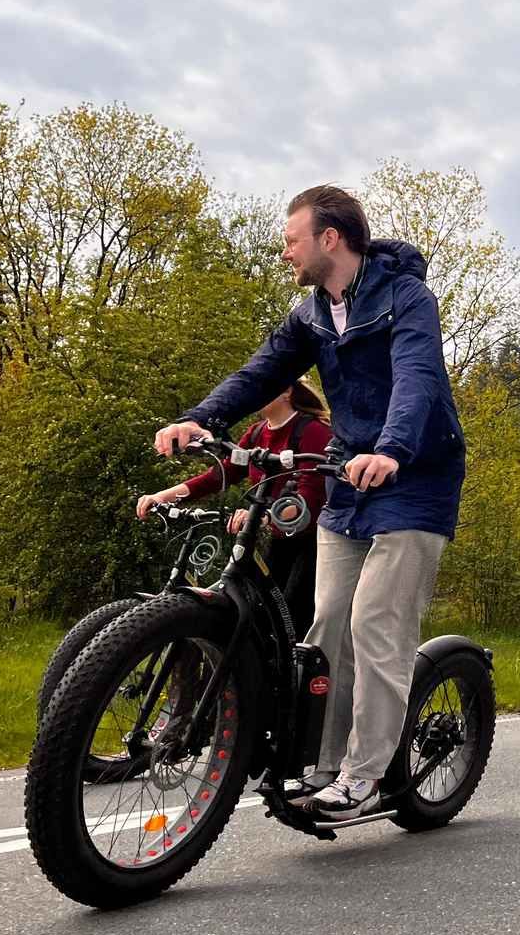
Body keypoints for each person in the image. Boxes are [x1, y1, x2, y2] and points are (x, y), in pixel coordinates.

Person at [152, 184, 466, 821]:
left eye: (292, 238)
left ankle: (366, 776)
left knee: (376, 623)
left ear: (330, 238)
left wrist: (394, 449)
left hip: (415, 473)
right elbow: (261, 374)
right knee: (325, 627)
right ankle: (325, 768)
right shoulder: (313, 315)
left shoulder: (406, 298)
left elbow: (417, 377)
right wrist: (200, 419)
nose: (285, 250)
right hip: (350, 473)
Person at [136, 379, 333, 637]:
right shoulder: (256, 433)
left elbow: (311, 495)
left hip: (314, 543)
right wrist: (164, 496)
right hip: (276, 540)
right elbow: (220, 474)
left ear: (287, 390)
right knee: (256, 616)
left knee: (294, 618)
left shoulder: (313, 431)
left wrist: (261, 514)